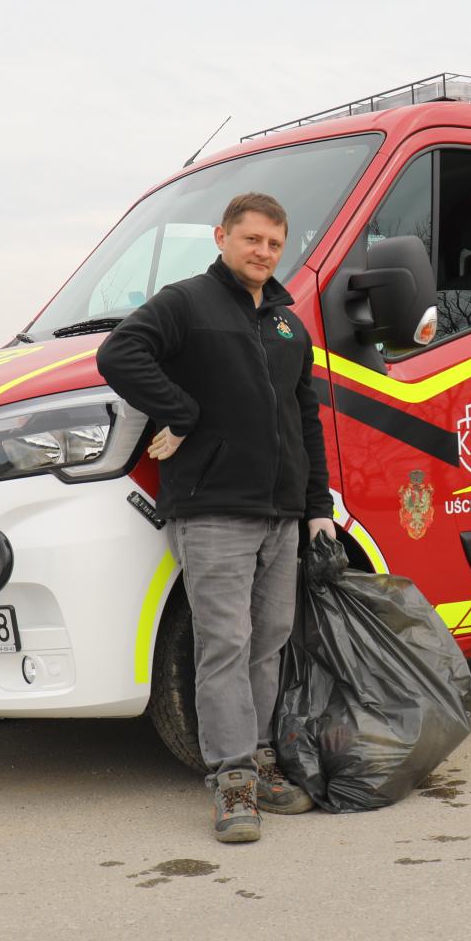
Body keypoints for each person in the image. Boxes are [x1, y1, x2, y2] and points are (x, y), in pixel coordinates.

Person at [98, 191, 338, 843]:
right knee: (225, 647)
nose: (262, 252)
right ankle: (231, 781)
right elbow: (120, 356)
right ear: (221, 237)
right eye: (251, 239)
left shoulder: (289, 324)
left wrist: (317, 510)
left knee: (269, 642)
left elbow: (304, 422)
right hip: (212, 511)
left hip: (281, 514)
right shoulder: (185, 303)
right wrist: (181, 412)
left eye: (273, 244)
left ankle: (259, 758)